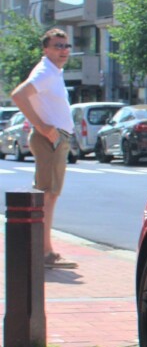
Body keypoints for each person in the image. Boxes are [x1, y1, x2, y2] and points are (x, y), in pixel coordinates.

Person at [10, 27, 77, 269]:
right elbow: (18, 95)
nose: (63, 51)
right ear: (45, 49)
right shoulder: (46, 72)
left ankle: (44, 250)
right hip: (51, 139)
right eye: (58, 46)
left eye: (66, 46)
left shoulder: (53, 72)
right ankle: (44, 252)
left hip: (55, 138)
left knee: (49, 194)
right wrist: (41, 126)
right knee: (47, 196)